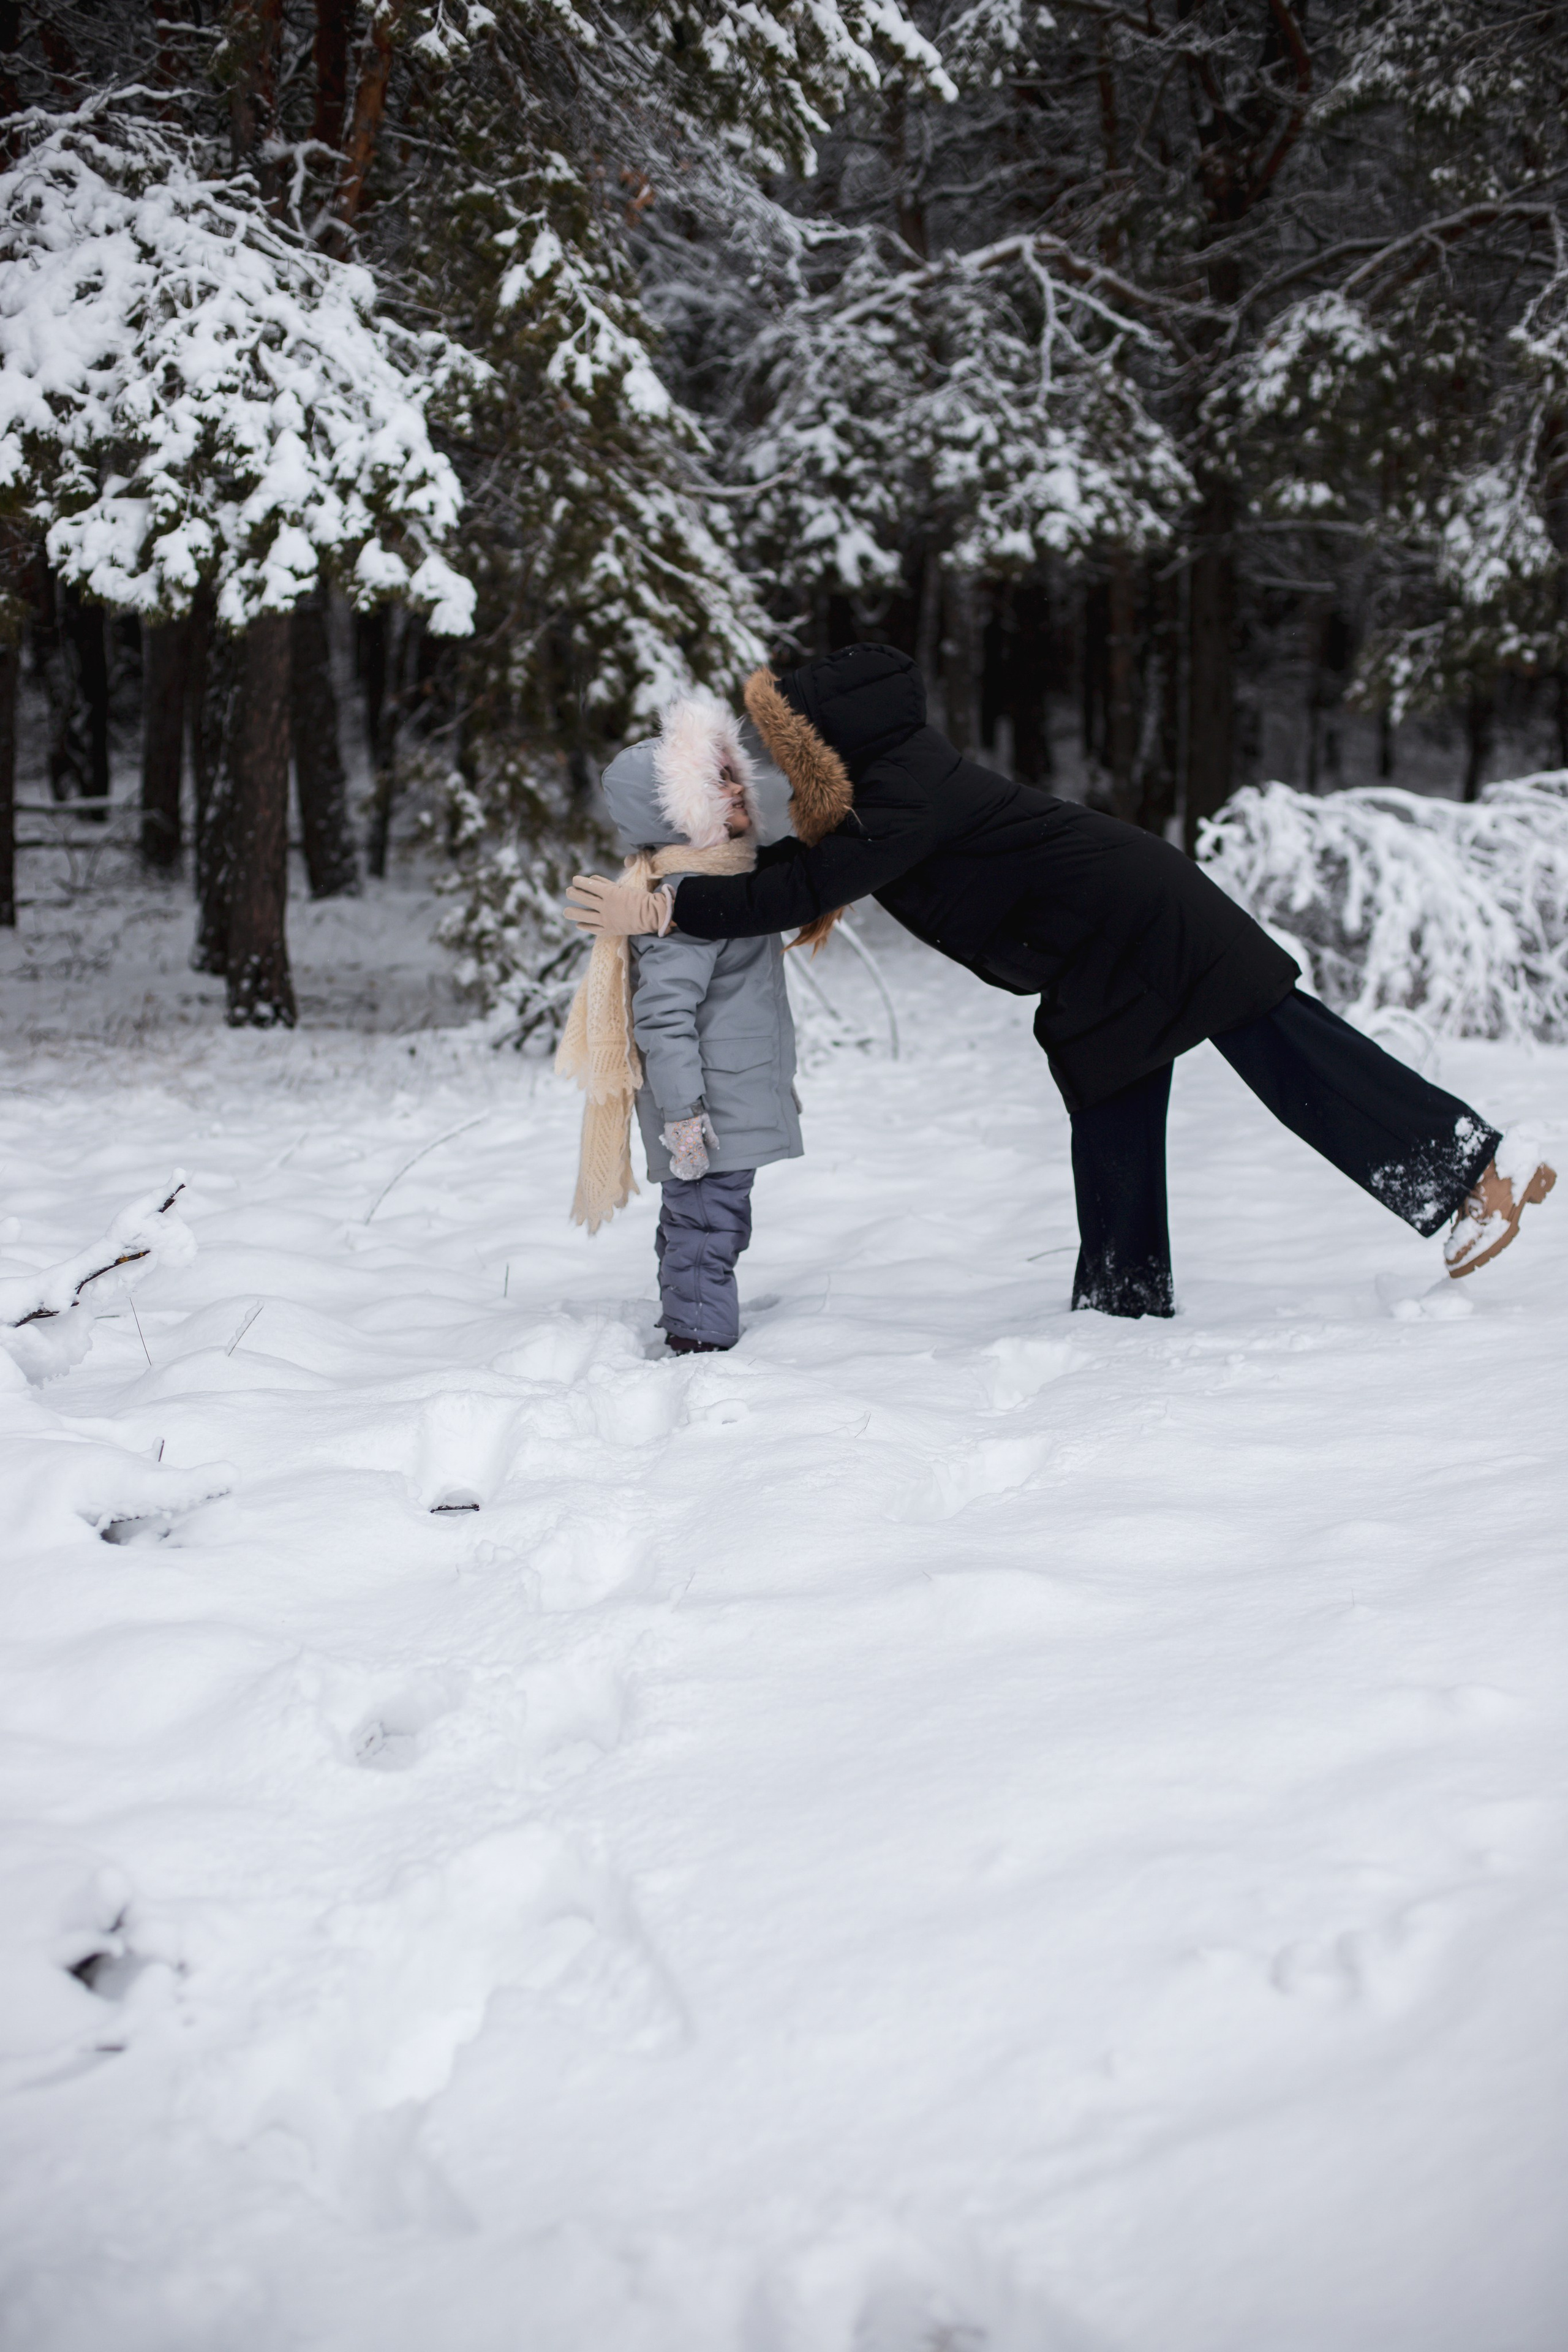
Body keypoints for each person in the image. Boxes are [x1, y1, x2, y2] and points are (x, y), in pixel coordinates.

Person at [565, 644, 1554, 1316]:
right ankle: (1123, 1300)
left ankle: (1473, 1176)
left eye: (789, 742)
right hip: (1107, 942)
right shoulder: (894, 789)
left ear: (834, 736)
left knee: (1292, 1056)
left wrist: (660, 910)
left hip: (1146, 922)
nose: (781, 762)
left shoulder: (902, 798)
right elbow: (801, 871)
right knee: (1113, 1087)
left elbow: (804, 887)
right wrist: (674, 889)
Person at [556, 689, 802, 1353]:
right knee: (706, 1227)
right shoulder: (683, 903)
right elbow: (663, 1019)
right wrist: (683, 1112)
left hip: (730, 1095)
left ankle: (695, 1318)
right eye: (710, 783)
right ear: (673, 812)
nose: (733, 790)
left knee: (709, 1223)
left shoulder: (725, 884)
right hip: (706, 1110)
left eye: (731, 774)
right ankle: (698, 1343)